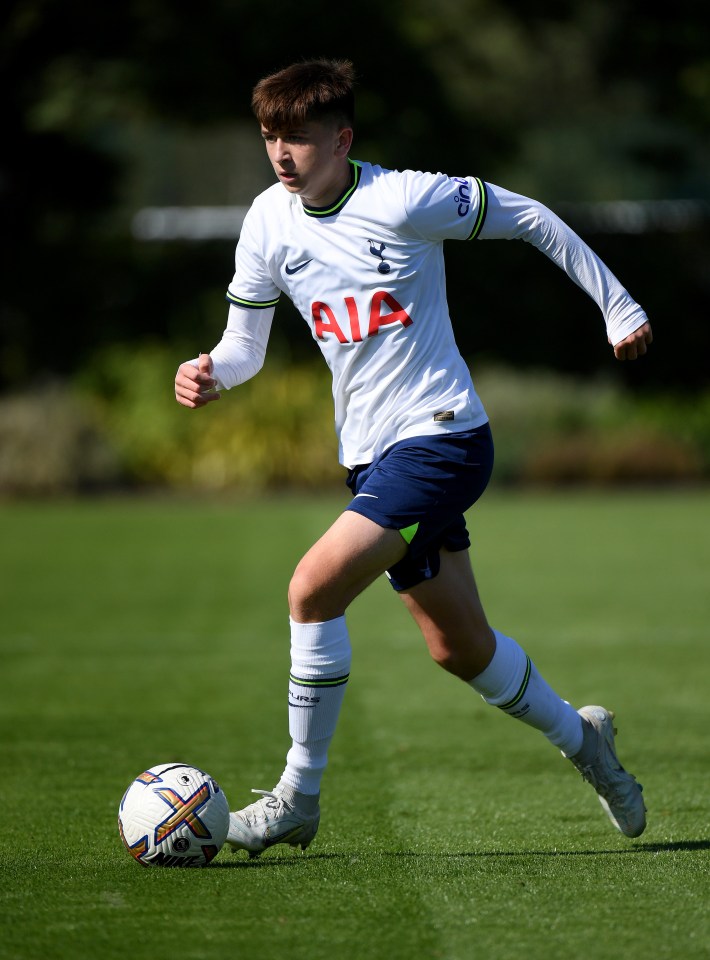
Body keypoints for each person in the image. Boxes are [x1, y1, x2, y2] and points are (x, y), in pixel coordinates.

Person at [175, 58, 652, 857]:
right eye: (269, 137)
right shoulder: (268, 219)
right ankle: (585, 740)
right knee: (458, 649)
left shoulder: (403, 198)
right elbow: (244, 346)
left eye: (298, 137)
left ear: (344, 138)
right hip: (370, 457)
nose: (282, 154)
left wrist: (619, 304)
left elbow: (529, 214)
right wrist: (211, 372)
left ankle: (297, 795)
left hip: (443, 438)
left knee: (311, 590)